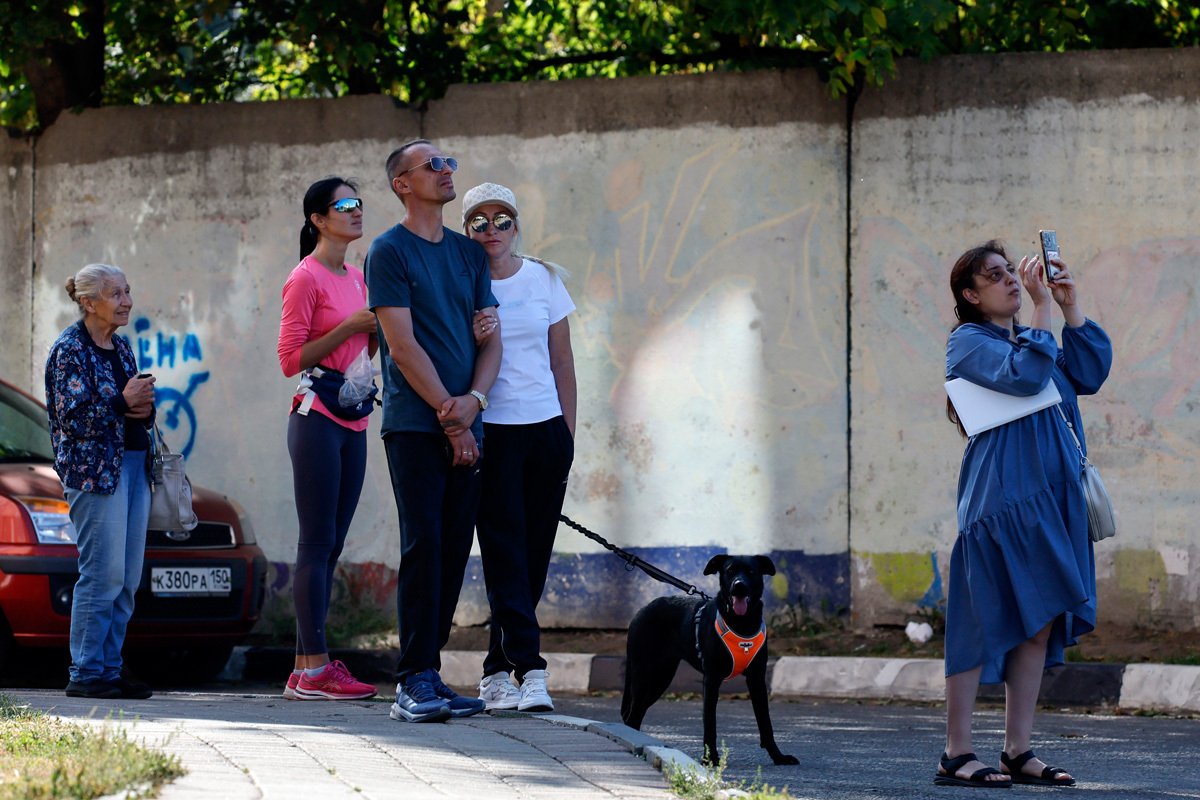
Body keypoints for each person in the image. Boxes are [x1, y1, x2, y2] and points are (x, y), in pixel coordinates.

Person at [936, 241, 1112, 788]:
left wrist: (1068, 305)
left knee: (1038, 624)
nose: (1011, 279)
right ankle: (957, 753)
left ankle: (1017, 750)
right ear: (971, 294)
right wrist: (1039, 313)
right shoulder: (968, 343)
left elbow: (1088, 372)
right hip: (1001, 504)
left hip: (1051, 499)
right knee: (979, 619)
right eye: (995, 275)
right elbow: (1026, 378)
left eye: (1012, 270)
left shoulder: (1030, 339)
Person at [365, 139, 501, 723]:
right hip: (417, 426)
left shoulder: (470, 256)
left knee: (451, 550)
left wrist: (473, 401)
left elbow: (489, 337)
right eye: (434, 166)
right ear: (403, 183)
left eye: (450, 163)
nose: (448, 173)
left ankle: (431, 671)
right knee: (423, 545)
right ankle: (411, 679)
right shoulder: (388, 252)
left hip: (467, 419)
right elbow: (401, 345)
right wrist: (451, 417)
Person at [460, 182, 576, 713]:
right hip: (495, 431)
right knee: (505, 553)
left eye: (500, 219)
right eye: (478, 221)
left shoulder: (544, 279)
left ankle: (494, 673)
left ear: (515, 225)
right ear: (466, 231)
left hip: (546, 431)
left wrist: (568, 436)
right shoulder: (461, 282)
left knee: (532, 560)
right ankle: (530, 669)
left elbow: (562, 363)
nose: (491, 230)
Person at [277, 176, 379, 701]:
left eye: (359, 203)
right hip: (316, 417)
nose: (356, 211)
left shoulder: (359, 277)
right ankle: (317, 670)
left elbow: (362, 354)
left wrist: (376, 332)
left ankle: (303, 669)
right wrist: (351, 327)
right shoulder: (305, 278)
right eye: (345, 205)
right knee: (315, 544)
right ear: (318, 218)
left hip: (354, 417)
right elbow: (291, 359)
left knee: (332, 546)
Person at [45, 263, 157, 700]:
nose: (126, 300)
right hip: (95, 475)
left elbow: (133, 408)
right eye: (116, 294)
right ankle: (86, 671)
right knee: (102, 576)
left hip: (132, 465)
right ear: (89, 302)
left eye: (128, 291)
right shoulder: (68, 350)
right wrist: (121, 400)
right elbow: (70, 419)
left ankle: (110, 669)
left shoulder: (122, 346)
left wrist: (145, 406)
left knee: (127, 579)